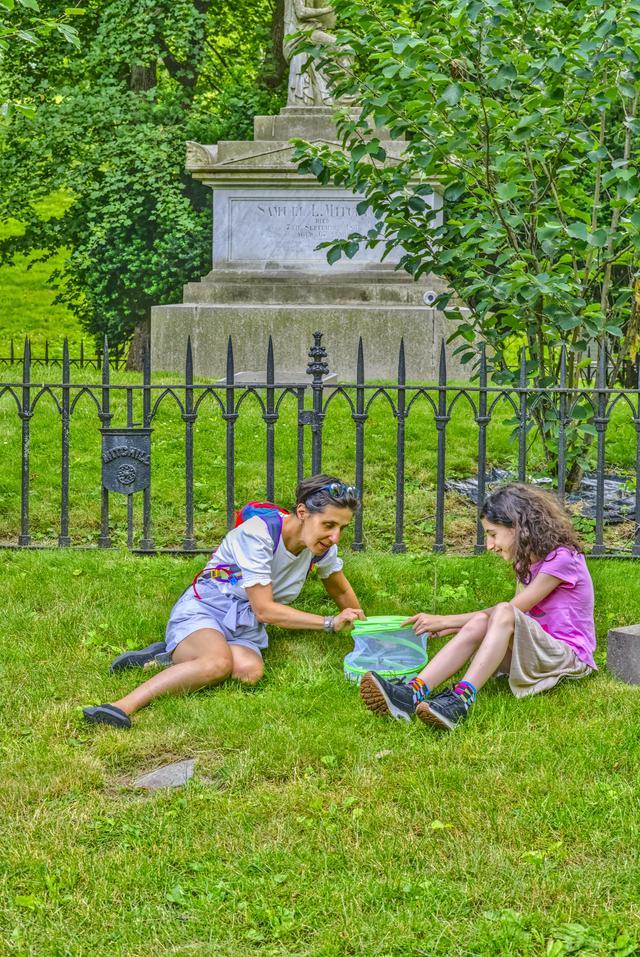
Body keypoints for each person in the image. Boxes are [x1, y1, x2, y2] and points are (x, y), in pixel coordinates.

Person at [83, 475, 365, 729]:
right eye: (328, 525)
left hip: (244, 624)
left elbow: (340, 591)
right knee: (215, 664)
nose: (335, 537)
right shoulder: (260, 533)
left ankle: (167, 657)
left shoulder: (321, 548)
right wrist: (329, 623)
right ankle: (120, 706)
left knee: (248, 672)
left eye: (341, 528)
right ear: (302, 512)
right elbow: (265, 610)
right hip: (207, 608)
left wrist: (366, 630)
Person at [360, 483, 596, 731]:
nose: (489, 544)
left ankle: (461, 700)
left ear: (518, 527)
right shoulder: (525, 563)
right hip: (535, 652)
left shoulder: (563, 559)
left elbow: (513, 610)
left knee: (503, 610)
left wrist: (446, 620)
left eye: (493, 534)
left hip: (566, 658)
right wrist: (462, 627)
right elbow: (513, 618)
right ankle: (411, 694)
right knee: (483, 620)